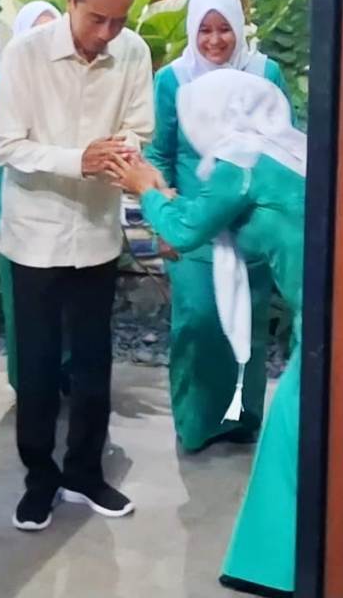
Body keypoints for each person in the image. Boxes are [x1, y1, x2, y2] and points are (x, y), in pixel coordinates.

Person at [111, 69, 306, 598]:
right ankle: (278, 561)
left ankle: (275, 568)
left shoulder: (240, 162)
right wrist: (169, 205)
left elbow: (185, 228)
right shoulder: (286, 151)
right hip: (337, 306)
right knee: (299, 428)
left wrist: (144, 189)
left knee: (292, 427)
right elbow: (214, 220)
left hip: (328, 317)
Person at [0, 0, 153, 532]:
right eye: (96, 19)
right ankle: (40, 478)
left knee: (92, 364)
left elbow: (140, 126)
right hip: (34, 234)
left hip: (96, 232)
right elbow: (8, 145)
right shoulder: (25, 55)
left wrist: (121, 149)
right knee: (37, 366)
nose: (107, 33)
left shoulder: (132, 52)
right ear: (71, 2)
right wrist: (78, 159)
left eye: (118, 21)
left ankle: (85, 472)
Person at [145, 0, 291, 452]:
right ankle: (196, 424)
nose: (214, 40)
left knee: (245, 325)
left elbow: (285, 141)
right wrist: (162, 218)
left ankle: (242, 421)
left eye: (224, 29)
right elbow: (159, 152)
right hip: (194, 227)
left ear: (239, 29)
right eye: (204, 30)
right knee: (199, 324)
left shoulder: (264, 73)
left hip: (251, 227)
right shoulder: (173, 80)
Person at [0, 0, 64, 393]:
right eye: (35, 30)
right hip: (15, 196)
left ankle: (62, 372)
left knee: (64, 295)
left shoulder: (70, 78)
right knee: (21, 297)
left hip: (64, 197)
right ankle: (27, 378)